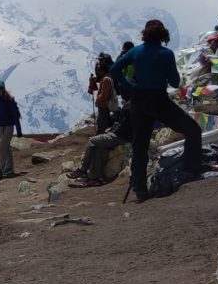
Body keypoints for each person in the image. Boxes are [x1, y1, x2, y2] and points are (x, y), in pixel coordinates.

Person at [111, 20, 202, 203]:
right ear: (163, 35)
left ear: (145, 34)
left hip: (138, 101)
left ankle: (140, 190)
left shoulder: (135, 51)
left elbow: (114, 69)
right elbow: (175, 82)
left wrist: (130, 84)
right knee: (192, 130)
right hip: (158, 99)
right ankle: (190, 170)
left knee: (140, 146)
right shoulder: (166, 54)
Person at [66, 103, 133, 187]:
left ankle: (83, 169)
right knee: (98, 148)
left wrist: (113, 129)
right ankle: (94, 178)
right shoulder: (137, 105)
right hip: (125, 135)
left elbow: (123, 125)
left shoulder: (130, 106)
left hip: (121, 136)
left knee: (92, 140)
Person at [0, 80, 23, 180]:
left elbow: (15, 116)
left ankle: (0, 169)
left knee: (1, 148)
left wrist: (19, 130)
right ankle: (9, 169)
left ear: (3, 90)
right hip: (0, 127)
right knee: (6, 148)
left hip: (8, 127)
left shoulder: (10, 101)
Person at [94, 53, 119, 135]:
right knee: (104, 120)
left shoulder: (107, 77)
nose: (99, 61)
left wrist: (98, 99)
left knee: (102, 122)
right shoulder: (108, 73)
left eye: (101, 60)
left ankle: (100, 138)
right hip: (109, 101)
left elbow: (104, 95)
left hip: (105, 103)